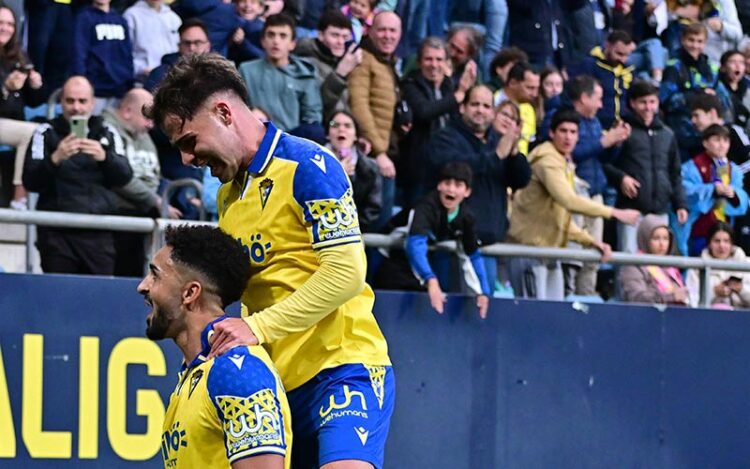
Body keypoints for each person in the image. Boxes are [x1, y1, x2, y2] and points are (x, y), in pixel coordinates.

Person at [147, 53, 394, 469]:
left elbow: (347, 273)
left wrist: (255, 327)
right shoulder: (228, 196)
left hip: (343, 367)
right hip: (277, 381)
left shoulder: (309, 166)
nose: (187, 160)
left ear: (224, 113)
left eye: (189, 141)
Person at [137, 225, 292, 468]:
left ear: (190, 293)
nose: (143, 286)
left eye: (155, 275)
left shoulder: (236, 370)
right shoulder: (194, 376)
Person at [507, 109, 640, 299]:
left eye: (573, 132)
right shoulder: (547, 161)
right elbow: (568, 200)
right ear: (552, 133)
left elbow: (559, 218)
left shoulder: (563, 163)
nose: (568, 137)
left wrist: (591, 241)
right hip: (530, 252)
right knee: (534, 318)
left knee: (554, 318)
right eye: (563, 131)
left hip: (550, 252)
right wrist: (613, 212)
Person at [22, 76, 132, 275]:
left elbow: (125, 176)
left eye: (82, 101)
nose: (76, 108)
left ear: (92, 103)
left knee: (98, 300)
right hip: (56, 233)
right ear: (61, 102)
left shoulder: (106, 132)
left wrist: (104, 157)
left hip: (98, 231)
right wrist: (55, 158)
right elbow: (30, 180)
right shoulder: (45, 132)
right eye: (70, 100)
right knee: (58, 299)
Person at [424, 86, 532, 288]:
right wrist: (496, 155)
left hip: (490, 245)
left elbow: (521, 179)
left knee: (482, 312)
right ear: (462, 108)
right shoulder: (445, 138)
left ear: (492, 112)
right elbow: (457, 169)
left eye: (486, 106)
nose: (480, 110)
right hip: (452, 247)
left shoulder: (495, 142)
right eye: (474, 104)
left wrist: (514, 152)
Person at [374, 162, 491, 318]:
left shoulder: (466, 217)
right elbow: (415, 245)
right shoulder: (424, 207)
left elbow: (472, 254)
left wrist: (482, 292)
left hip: (419, 272)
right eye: (447, 183)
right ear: (439, 186)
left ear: (467, 191)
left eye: (458, 185)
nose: (451, 189)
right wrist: (431, 279)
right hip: (390, 262)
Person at [604, 79, 688, 253]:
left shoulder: (667, 134)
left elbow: (675, 172)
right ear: (633, 103)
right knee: (629, 260)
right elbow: (604, 163)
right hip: (631, 210)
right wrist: (622, 178)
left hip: (660, 210)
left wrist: (680, 204)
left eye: (652, 102)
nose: (648, 107)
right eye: (643, 102)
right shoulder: (622, 129)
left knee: (658, 264)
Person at [399, 36, 476, 205]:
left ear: (447, 63)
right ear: (419, 62)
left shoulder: (449, 85)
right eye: (428, 59)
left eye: (439, 59)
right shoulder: (410, 84)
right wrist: (458, 96)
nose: (434, 65)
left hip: (447, 166)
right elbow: (424, 111)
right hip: (419, 168)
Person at [349, 11, 402, 229]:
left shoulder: (388, 63)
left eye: (393, 31)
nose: (388, 35)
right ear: (369, 31)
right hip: (373, 160)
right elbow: (358, 105)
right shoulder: (364, 59)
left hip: (388, 157)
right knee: (375, 232)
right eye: (382, 29)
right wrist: (379, 153)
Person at [239, 13, 323, 134]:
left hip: (292, 143)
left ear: (292, 43)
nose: (276, 41)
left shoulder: (305, 75)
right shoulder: (246, 70)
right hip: (254, 138)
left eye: (283, 36)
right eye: (271, 35)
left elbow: (312, 117)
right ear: (263, 41)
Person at [673, 124, 748, 256]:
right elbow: (685, 192)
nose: (722, 145)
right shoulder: (691, 166)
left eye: (725, 141)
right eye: (717, 140)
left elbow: (742, 200)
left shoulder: (733, 169)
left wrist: (733, 194)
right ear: (705, 143)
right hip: (697, 231)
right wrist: (712, 190)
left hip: (724, 233)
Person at [0, 3, 43, 210]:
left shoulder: (18, 55)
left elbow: (34, 101)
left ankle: (22, 195)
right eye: (0, 23)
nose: (5, 28)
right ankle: (20, 195)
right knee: (33, 132)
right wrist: (5, 87)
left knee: (42, 131)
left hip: (13, 122)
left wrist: (35, 85)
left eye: (10, 24)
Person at [660, 22, 718, 161]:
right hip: (682, 134)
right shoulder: (674, 66)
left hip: (708, 134)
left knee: (715, 174)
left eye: (700, 41)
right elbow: (665, 99)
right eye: (691, 40)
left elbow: (719, 98)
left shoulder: (712, 68)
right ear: (682, 40)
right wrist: (696, 95)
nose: (695, 45)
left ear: (705, 43)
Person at [294, 10, 362, 119]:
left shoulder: (347, 61)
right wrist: (339, 74)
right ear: (320, 35)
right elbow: (317, 104)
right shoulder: (305, 62)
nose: (340, 42)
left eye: (345, 37)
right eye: (335, 35)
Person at [71, 0, 134, 113]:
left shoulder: (121, 20)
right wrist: (83, 84)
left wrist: (129, 83)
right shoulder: (83, 18)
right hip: (95, 90)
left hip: (120, 91)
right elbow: (78, 53)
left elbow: (128, 55)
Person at [326, 110, 382, 232]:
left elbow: (372, 208)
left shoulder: (370, 168)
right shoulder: (313, 163)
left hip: (357, 233)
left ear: (356, 135)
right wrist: (337, 175)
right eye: (335, 125)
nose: (341, 129)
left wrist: (351, 230)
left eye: (347, 126)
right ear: (328, 134)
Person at [567, 30, 636, 129]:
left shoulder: (629, 69)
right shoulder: (589, 65)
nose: (623, 59)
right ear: (607, 45)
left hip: (623, 125)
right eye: (619, 54)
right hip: (595, 124)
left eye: (627, 55)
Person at [619, 214, 691, 305]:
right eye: (656, 238)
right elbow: (636, 298)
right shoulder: (633, 266)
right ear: (645, 239)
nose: (662, 244)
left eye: (666, 238)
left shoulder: (671, 267)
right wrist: (671, 297)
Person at [686, 222, 750, 308]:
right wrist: (714, 292)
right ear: (709, 244)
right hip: (708, 318)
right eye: (717, 241)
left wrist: (741, 290)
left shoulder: (746, 264)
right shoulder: (696, 268)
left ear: (732, 244)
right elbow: (691, 301)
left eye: (726, 241)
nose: (721, 245)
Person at [123, 0, 182, 83]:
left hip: (171, 78)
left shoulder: (173, 18)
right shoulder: (131, 15)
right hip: (142, 80)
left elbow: (178, 50)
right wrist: (140, 69)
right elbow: (124, 54)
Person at [493, 62, 540, 155]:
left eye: (537, 88)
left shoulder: (529, 109)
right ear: (512, 83)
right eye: (530, 88)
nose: (535, 94)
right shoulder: (492, 104)